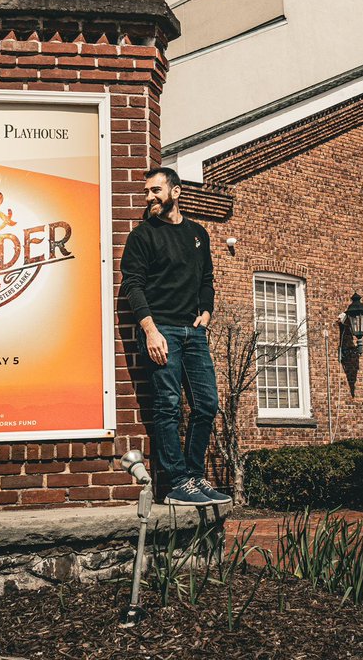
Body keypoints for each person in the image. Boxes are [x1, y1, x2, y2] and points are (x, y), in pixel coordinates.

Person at [120, 166, 230, 506]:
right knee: (167, 406)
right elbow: (132, 285)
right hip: (162, 330)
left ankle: (194, 476)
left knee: (207, 404)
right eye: (147, 192)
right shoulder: (143, 235)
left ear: (176, 192)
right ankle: (177, 482)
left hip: (193, 332)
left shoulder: (198, 234)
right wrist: (150, 330)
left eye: (156, 190)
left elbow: (207, 280)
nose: (150, 197)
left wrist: (207, 312)